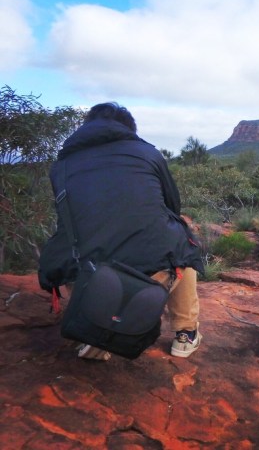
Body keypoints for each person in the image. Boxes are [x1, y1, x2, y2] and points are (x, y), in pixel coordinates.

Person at [38, 102, 204, 360]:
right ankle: (185, 333)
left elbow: (67, 215)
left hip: (92, 273)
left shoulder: (61, 165)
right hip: (153, 265)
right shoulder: (147, 153)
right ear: (128, 128)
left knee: (71, 249)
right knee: (182, 242)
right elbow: (173, 205)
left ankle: (95, 327)